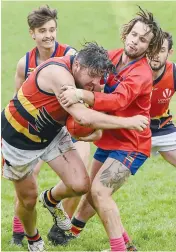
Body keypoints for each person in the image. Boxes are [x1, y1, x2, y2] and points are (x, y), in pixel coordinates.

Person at [1, 42, 149, 252]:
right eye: (93, 77)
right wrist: (128, 122)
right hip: (18, 141)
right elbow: (82, 116)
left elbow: (90, 117)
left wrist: (94, 132)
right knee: (28, 200)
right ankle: (33, 237)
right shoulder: (58, 74)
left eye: (100, 77)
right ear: (77, 66)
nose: (96, 84)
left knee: (80, 185)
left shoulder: (85, 75)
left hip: (51, 135)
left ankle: (51, 200)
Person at [57, 7, 164, 251]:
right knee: (94, 193)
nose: (135, 41)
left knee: (100, 192)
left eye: (143, 40)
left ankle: (118, 249)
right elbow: (94, 75)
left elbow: (119, 100)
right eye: (134, 35)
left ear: (149, 47)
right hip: (108, 139)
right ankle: (125, 246)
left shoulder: (141, 74)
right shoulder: (114, 57)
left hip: (132, 144)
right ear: (127, 33)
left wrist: (81, 94)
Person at [11, 5, 90, 246]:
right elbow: (18, 99)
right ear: (32, 33)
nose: (49, 35)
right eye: (42, 30)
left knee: (80, 179)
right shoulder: (25, 63)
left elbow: (83, 93)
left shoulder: (71, 55)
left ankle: (59, 228)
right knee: (28, 176)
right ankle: (19, 230)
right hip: (38, 131)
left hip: (69, 128)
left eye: (52, 29)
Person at [149, 31, 176, 165]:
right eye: (153, 48)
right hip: (133, 130)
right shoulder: (133, 70)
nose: (156, 54)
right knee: (100, 184)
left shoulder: (174, 72)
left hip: (163, 128)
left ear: (169, 52)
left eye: (162, 50)